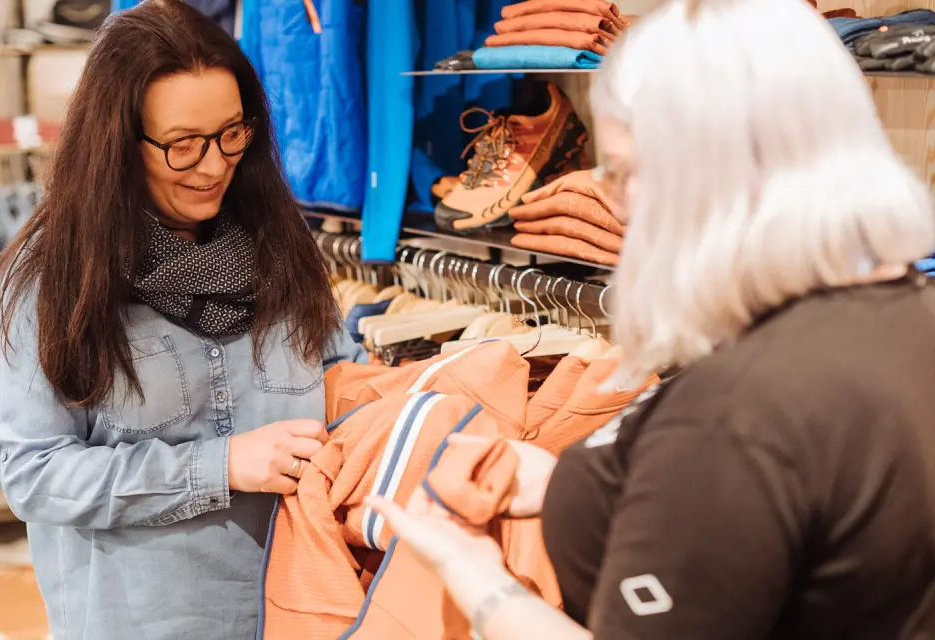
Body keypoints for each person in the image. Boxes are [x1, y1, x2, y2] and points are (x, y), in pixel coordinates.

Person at [368, 0, 935, 638]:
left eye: (624, 172)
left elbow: (734, 472)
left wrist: (475, 577)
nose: (613, 199)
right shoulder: (904, 311)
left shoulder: (734, 415)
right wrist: (578, 486)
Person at [0, 2, 365, 638]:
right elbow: (35, 474)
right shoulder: (59, 272)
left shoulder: (278, 242)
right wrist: (220, 466)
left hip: (302, 612)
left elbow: (335, 373)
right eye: (183, 146)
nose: (215, 165)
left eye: (232, 133)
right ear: (117, 142)